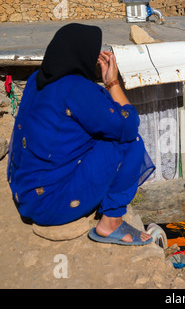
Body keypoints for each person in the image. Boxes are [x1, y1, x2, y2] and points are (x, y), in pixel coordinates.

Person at [7, 23, 155, 246]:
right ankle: (110, 223)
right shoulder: (78, 89)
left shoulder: (35, 78)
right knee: (131, 143)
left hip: (24, 194)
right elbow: (129, 124)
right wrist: (112, 83)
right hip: (49, 205)